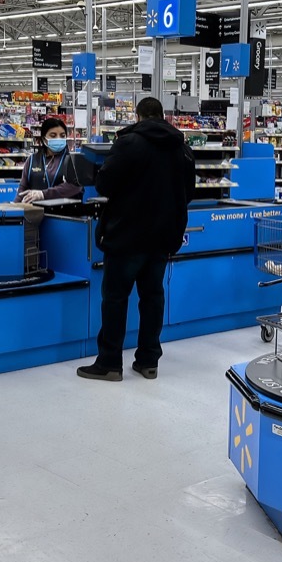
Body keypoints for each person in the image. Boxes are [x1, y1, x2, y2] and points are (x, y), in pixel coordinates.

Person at [78, 97, 195, 382]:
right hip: (163, 237)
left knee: (116, 298)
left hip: (126, 235)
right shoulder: (182, 148)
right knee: (153, 297)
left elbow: (105, 184)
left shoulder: (128, 143)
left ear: (139, 115)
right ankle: (148, 361)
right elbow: (188, 193)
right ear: (162, 115)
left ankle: (109, 363)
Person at [16, 118, 89, 203]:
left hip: (65, 214)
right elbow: (22, 189)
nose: (58, 139)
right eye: (53, 136)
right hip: (36, 213)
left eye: (62, 136)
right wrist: (15, 207)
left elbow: (75, 186)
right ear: (44, 139)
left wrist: (43, 194)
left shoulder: (73, 161)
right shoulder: (32, 160)